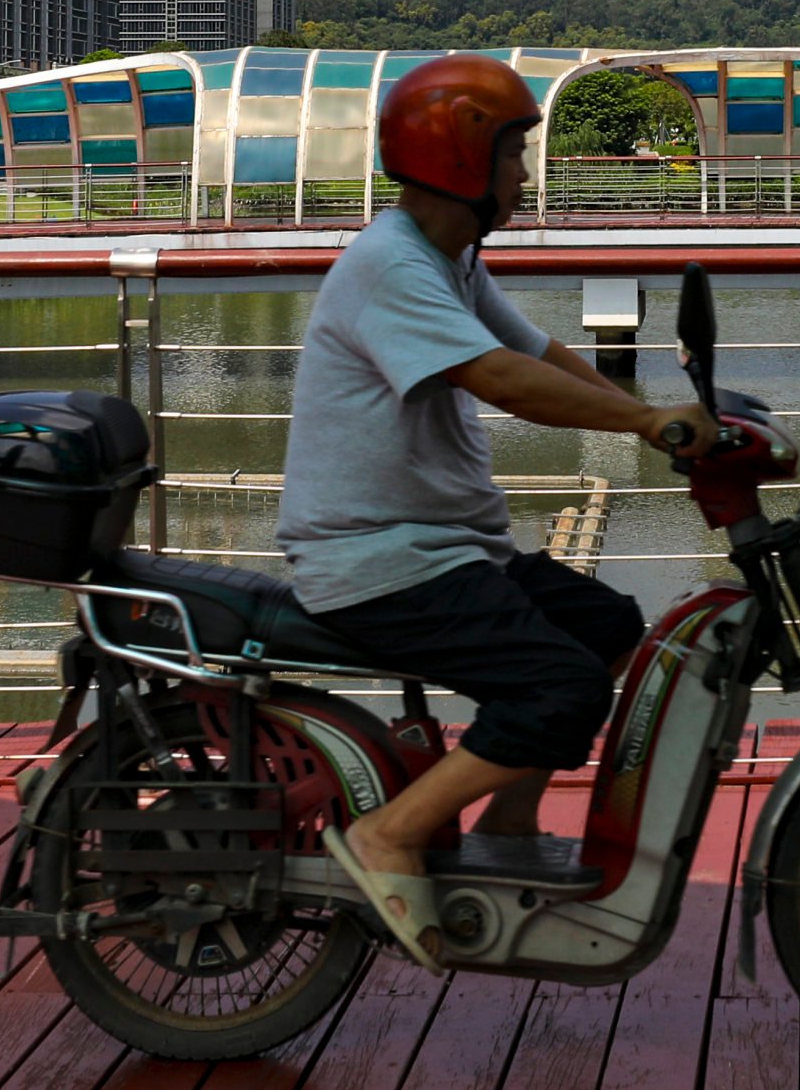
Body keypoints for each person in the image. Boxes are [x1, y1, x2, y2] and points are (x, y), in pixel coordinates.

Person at [282, 53, 702, 961]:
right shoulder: (391, 264)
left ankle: (508, 826)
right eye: (514, 154)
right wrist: (645, 420)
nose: (524, 174)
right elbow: (504, 380)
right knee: (563, 686)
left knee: (607, 622)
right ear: (462, 159)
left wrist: (656, 419)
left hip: (442, 548)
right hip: (379, 560)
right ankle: (389, 835)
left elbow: (540, 350)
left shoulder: (448, 260)